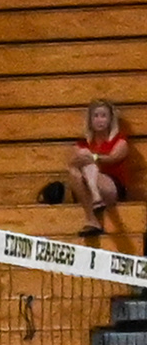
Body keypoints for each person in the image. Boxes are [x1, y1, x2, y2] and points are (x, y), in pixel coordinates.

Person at [62, 100, 130, 240]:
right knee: (75, 168)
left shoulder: (119, 141)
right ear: (90, 120)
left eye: (103, 116)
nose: (100, 120)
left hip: (111, 184)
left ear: (110, 119)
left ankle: (95, 197)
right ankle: (92, 215)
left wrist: (93, 157)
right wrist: (85, 157)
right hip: (86, 186)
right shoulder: (83, 143)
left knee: (88, 162)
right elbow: (72, 164)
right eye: (96, 116)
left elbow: (113, 158)